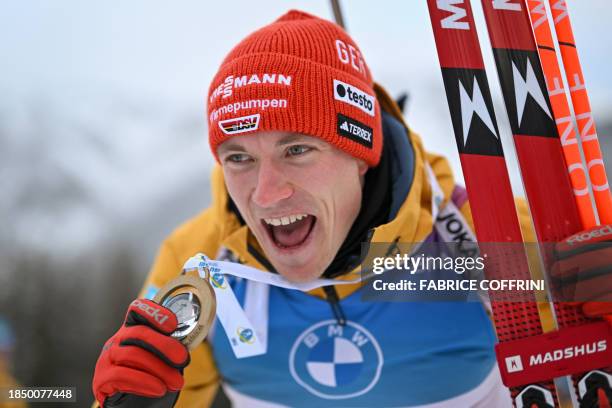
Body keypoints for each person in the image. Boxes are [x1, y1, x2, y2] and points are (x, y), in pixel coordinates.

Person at [92, 9, 612, 408]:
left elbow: (581, 378)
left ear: (362, 155)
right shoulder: (199, 263)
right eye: (239, 158)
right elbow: (147, 383)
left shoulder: (482, 239)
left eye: (297, 150)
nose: (266, 193)